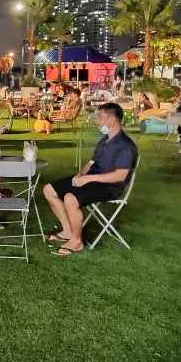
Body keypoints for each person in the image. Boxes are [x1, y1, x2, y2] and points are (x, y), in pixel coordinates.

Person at [42, 102, 138, 256]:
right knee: (48, 190)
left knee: (70, 198)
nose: (97, 121)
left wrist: (87, 179)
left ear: (112, 120)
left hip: (110, 187)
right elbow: (91, 163)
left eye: (100, 117)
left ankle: (76, 242)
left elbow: (120, 176)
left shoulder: (126, 146)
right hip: (91, 180)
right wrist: (80, 175)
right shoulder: (104, 140)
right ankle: (67, 230)